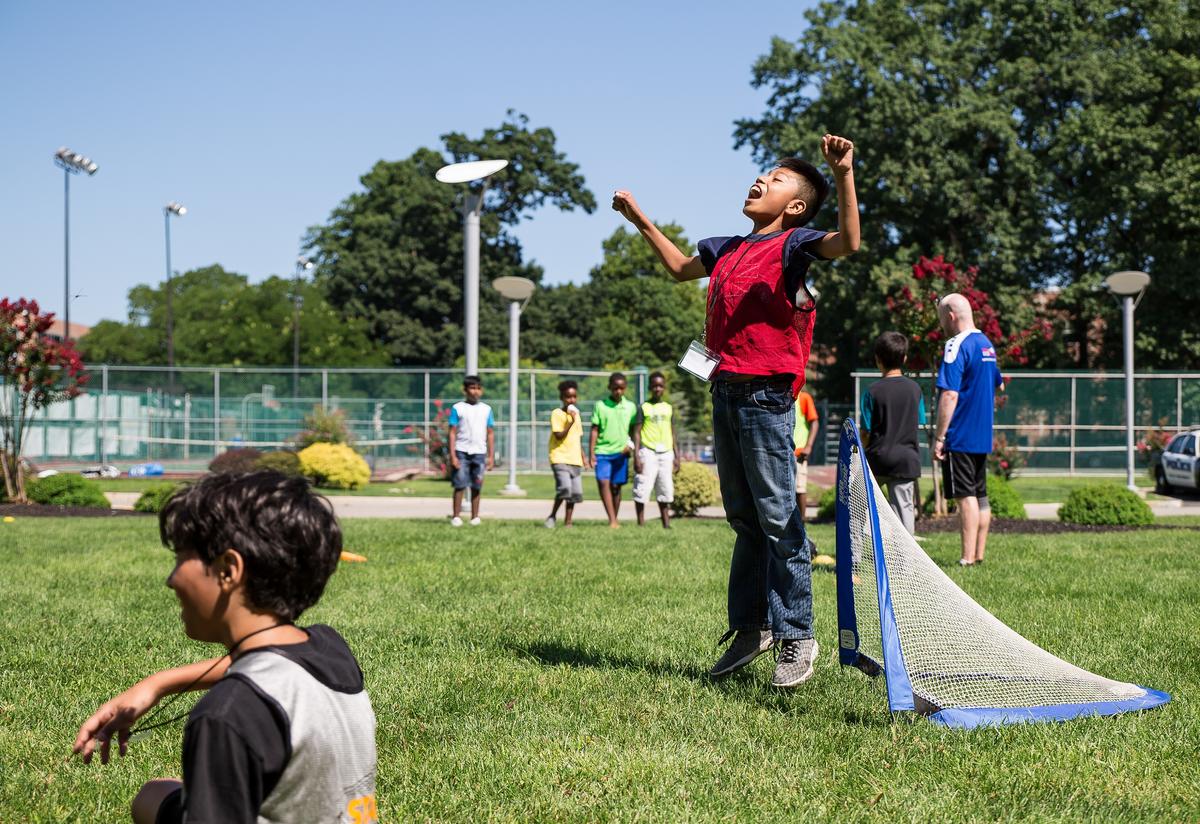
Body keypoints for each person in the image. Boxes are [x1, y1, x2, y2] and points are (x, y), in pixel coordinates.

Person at [613, 134, 860, 687]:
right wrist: (639, 219)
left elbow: (848, 244)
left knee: (778, 520)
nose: (760, 181)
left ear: (795, 206)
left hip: (767, 398)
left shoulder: (796, 245)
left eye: (775, 181)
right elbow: (679, 268)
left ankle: (797, 634)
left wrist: (842, 173)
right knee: (744, 520)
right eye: (761, 175)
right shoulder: (726, 248)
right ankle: (751, 628)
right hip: (723, 392)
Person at [73, 471, 377, 824]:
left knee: (152, 796)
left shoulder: (226, 715)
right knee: (153, 795)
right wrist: (158, 683)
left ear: (229, 570)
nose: (171, 580)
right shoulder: (330, 650)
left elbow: (258, 680)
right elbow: (272, 668)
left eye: (181, 559)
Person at [932, 294, 1004, 566]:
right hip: (982, 434)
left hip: (960, 434)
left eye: (941, 318)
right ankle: (979, 554)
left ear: (950, 316)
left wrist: (940, 437)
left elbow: (949, 395)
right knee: (980, 494)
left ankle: (967, 557)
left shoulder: (955, 345)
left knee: (965, 496)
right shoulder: (986, 344)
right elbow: (999, 384)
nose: (941, 325)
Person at [861, 331, 926, 534]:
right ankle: (904, 561)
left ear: (877, 359)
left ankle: (854, 556)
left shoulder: (872, 391)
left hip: (877, 459)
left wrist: (862, 453)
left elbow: (865, 431)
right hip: (906, 460)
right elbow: (919, 422)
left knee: (858, 505)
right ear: (904, 358)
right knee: (904, 509)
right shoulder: (915, 389)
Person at [587, 372, 638, 528]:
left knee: (616, 487)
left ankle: (614, 518)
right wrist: (591, 453)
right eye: (615, 388)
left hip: (621, 453)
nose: (618, 391)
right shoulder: (600, 405)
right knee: (603, 482)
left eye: (621, 388)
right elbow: (594, 430)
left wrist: (631, 447)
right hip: (602, 452)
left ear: (625, 388)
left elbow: (634, 431)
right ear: (609, 387)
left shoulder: (630, 407)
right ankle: (612, 520)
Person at [633, 371, 680, 529]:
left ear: (664, 387)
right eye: (654, 386)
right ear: (649, 388)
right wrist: (637, 457)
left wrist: (677, 456)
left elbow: (673, 432)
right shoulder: (644, 407)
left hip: (666, 453)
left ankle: (666, 523)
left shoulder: (668, 408)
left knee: (665, 487)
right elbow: (637, 433)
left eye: (660, 386)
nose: (657, 389)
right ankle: (641, 523)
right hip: (648, 451)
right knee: (643, 487)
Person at [448, 375, 495, 527]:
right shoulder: (458, 408)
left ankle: (475, 517)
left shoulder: (486, 409)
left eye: (478, 388)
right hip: (461, 451)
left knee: (477, 485)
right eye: (472, 388)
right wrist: (453, 455)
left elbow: (490, 433)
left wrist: (491, 456)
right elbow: (452, 432)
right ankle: (456, 516)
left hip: (479, 452)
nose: (475, 391)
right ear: (465, 390)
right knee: (460, 484)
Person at [545, 379, 584, 528]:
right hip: (559, 457)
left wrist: (584, 457)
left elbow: (577, 438)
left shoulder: (576, 416)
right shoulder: (557, 414)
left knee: (575, 492)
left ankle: (568, 522)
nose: (571, 400)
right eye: (568, 397)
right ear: (561, 397)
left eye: (574, 396)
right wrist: (571, 421)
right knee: (565, 488)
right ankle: (552, 516)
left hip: (575, 459)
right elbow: (559, 435)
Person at [792, 388, 820, 522]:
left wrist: (808, 446)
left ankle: (802, 523)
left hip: (798, 454)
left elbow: (814, 422)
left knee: (800, 488)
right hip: (781, 452)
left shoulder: (803, 398)